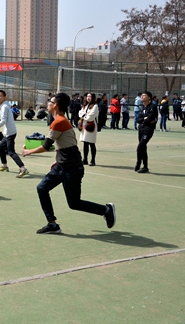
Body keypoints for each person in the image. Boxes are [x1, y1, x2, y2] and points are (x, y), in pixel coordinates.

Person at [22, 92, 116, 234]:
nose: (48, 103)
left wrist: (28, 152)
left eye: (50, 101)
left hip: (72, 168)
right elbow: (68, 143)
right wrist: (58, 160)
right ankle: (52, 224)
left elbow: (46, 146)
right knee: (42, 188)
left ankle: (106, 210)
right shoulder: (60, 121)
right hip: (62, 165)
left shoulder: (59, 122)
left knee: (74, 203)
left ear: (56, 105)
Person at [0, 90, 29, 178]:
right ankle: (5, 166)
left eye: (0, 96)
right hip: (8, 133)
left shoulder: (4, 107)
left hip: (10, 133)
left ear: (4, 97)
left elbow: (3, 121)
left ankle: (23, 169)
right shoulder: (4, 105)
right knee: (0, 147)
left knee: (11, 152)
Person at [134, 91, 158, 173]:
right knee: (143, 148)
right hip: (141, 129)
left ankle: (138, 163)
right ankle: (145, 167)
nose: (142, 96)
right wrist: (144, 119)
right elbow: (138, 120)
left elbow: (149, 119)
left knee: (140, 147)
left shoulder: (153, 107)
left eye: (144, 95)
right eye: (141, 95)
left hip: (148, 130)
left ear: (149, 98)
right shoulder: (143, 107)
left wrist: (145, 120)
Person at [78, 92, 99, 166]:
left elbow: (91, 116)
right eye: (87, 96)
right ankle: (85, 159)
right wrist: (84, 115)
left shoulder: (95, 106)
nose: (88, 98)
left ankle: (93, 160)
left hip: (91, 126)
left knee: (91, 143)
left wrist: (84, 116)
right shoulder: (85, 105)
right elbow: (80, 113)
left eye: (90, 96)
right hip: (84, 126)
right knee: (85, 143)